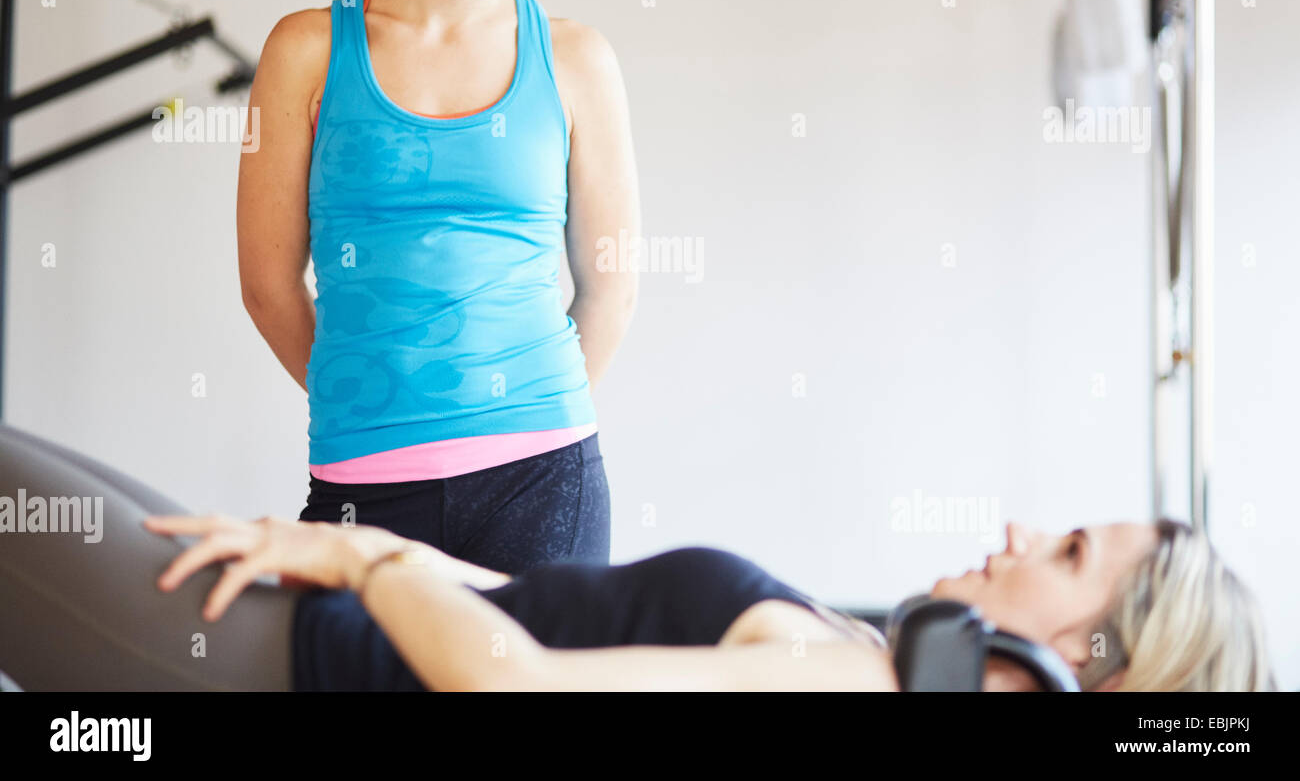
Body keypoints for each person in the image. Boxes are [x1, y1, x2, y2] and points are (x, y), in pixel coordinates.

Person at [236, 0, 639, 573]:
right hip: (365, 487)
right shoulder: (305, 50)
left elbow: (611, 286)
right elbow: (266, 286)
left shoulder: (578, 58)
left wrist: (523, 412)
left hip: (545, 476)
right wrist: (378, 398)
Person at [141, 511, 1276, 692]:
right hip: (292, 616)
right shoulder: (866, 650)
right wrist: (360, 543)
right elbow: (534, 608)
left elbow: (509, 678)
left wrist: (357, 566)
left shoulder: (851, 682)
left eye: (1069, 549)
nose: (1022, 529)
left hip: (280, 662)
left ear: (1092, 660)